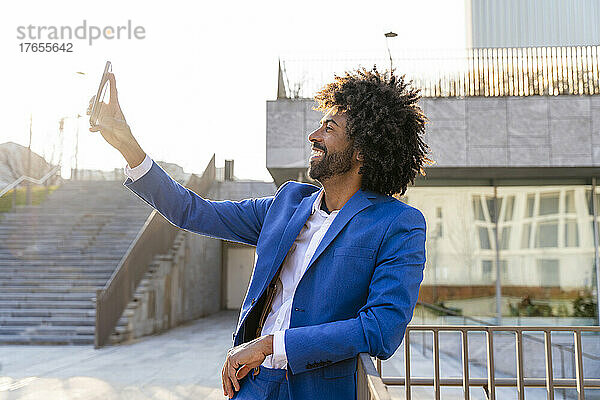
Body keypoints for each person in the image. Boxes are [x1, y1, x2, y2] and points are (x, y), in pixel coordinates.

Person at [90, 66, 430, 400]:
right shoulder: (285, 204)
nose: (314, 135)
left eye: (329, 127)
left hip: (318, 390)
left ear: (362, 151)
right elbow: (192, 211)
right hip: (253, 386)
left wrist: (271, 344)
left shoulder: (398, 223)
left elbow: (381, 329)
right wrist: (128, 146)